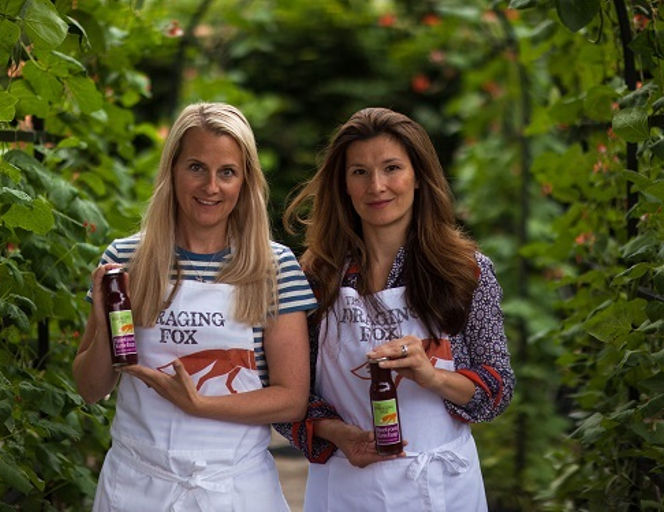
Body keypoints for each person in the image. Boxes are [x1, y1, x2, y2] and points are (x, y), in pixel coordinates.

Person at [73, 102, 317, 511]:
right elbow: (90, 389)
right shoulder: (126, 260)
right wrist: (102, 322)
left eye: (227, 172)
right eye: (196, 168)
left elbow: (292, 398)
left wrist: (199, 405)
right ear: (172, 170)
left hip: (235, 490)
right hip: (137, 486)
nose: (211, 187)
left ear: (245, 181)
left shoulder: (273, 267)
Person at [276, 107, 514, 511]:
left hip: (442, 486)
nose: (377, 186)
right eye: (360, 172)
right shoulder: (314, 277)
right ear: (343, 185)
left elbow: (497, 388)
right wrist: (340, 434)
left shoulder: (465, 272)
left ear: (418, 176)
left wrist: (433, 377)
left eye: (392, 168)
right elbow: (287, 397)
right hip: (346, 486)